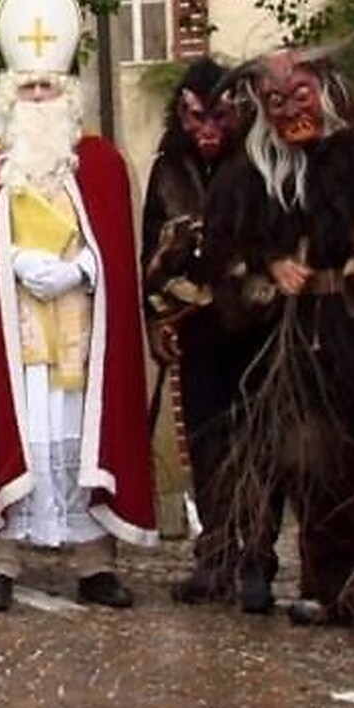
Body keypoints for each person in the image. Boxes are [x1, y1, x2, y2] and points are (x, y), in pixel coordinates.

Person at [0, 0, 156, 613]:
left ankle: (95, 563)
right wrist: (11, 263)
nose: (38, 99)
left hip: (81, 328)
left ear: (67, 94)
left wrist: (84, 268)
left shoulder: (100, 162)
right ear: (8, 96)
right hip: (14, 333)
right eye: (27, 88)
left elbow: (117, 250)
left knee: (83, 434)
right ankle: (1, 560)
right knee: (15, 430)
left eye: (47, 88)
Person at [202, 45, 354, 639]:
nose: (288, 110)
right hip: (298, 337)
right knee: (310, 461)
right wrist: (268, 265)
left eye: (299, 94)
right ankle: (330, 586)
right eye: (274, 101)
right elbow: (226, 254)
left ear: (323, 90)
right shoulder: (252, 177)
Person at [141, 55, 256, 604]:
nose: (207, 131)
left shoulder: (255, 163)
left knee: (256, 441)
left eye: (218, 118)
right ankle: (216, 555)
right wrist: (157, 320)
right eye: (196, 119)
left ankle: (256, 560)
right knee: (207, 441)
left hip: (253, 325)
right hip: (196, 327)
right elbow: (151, 248)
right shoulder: (168, 168)